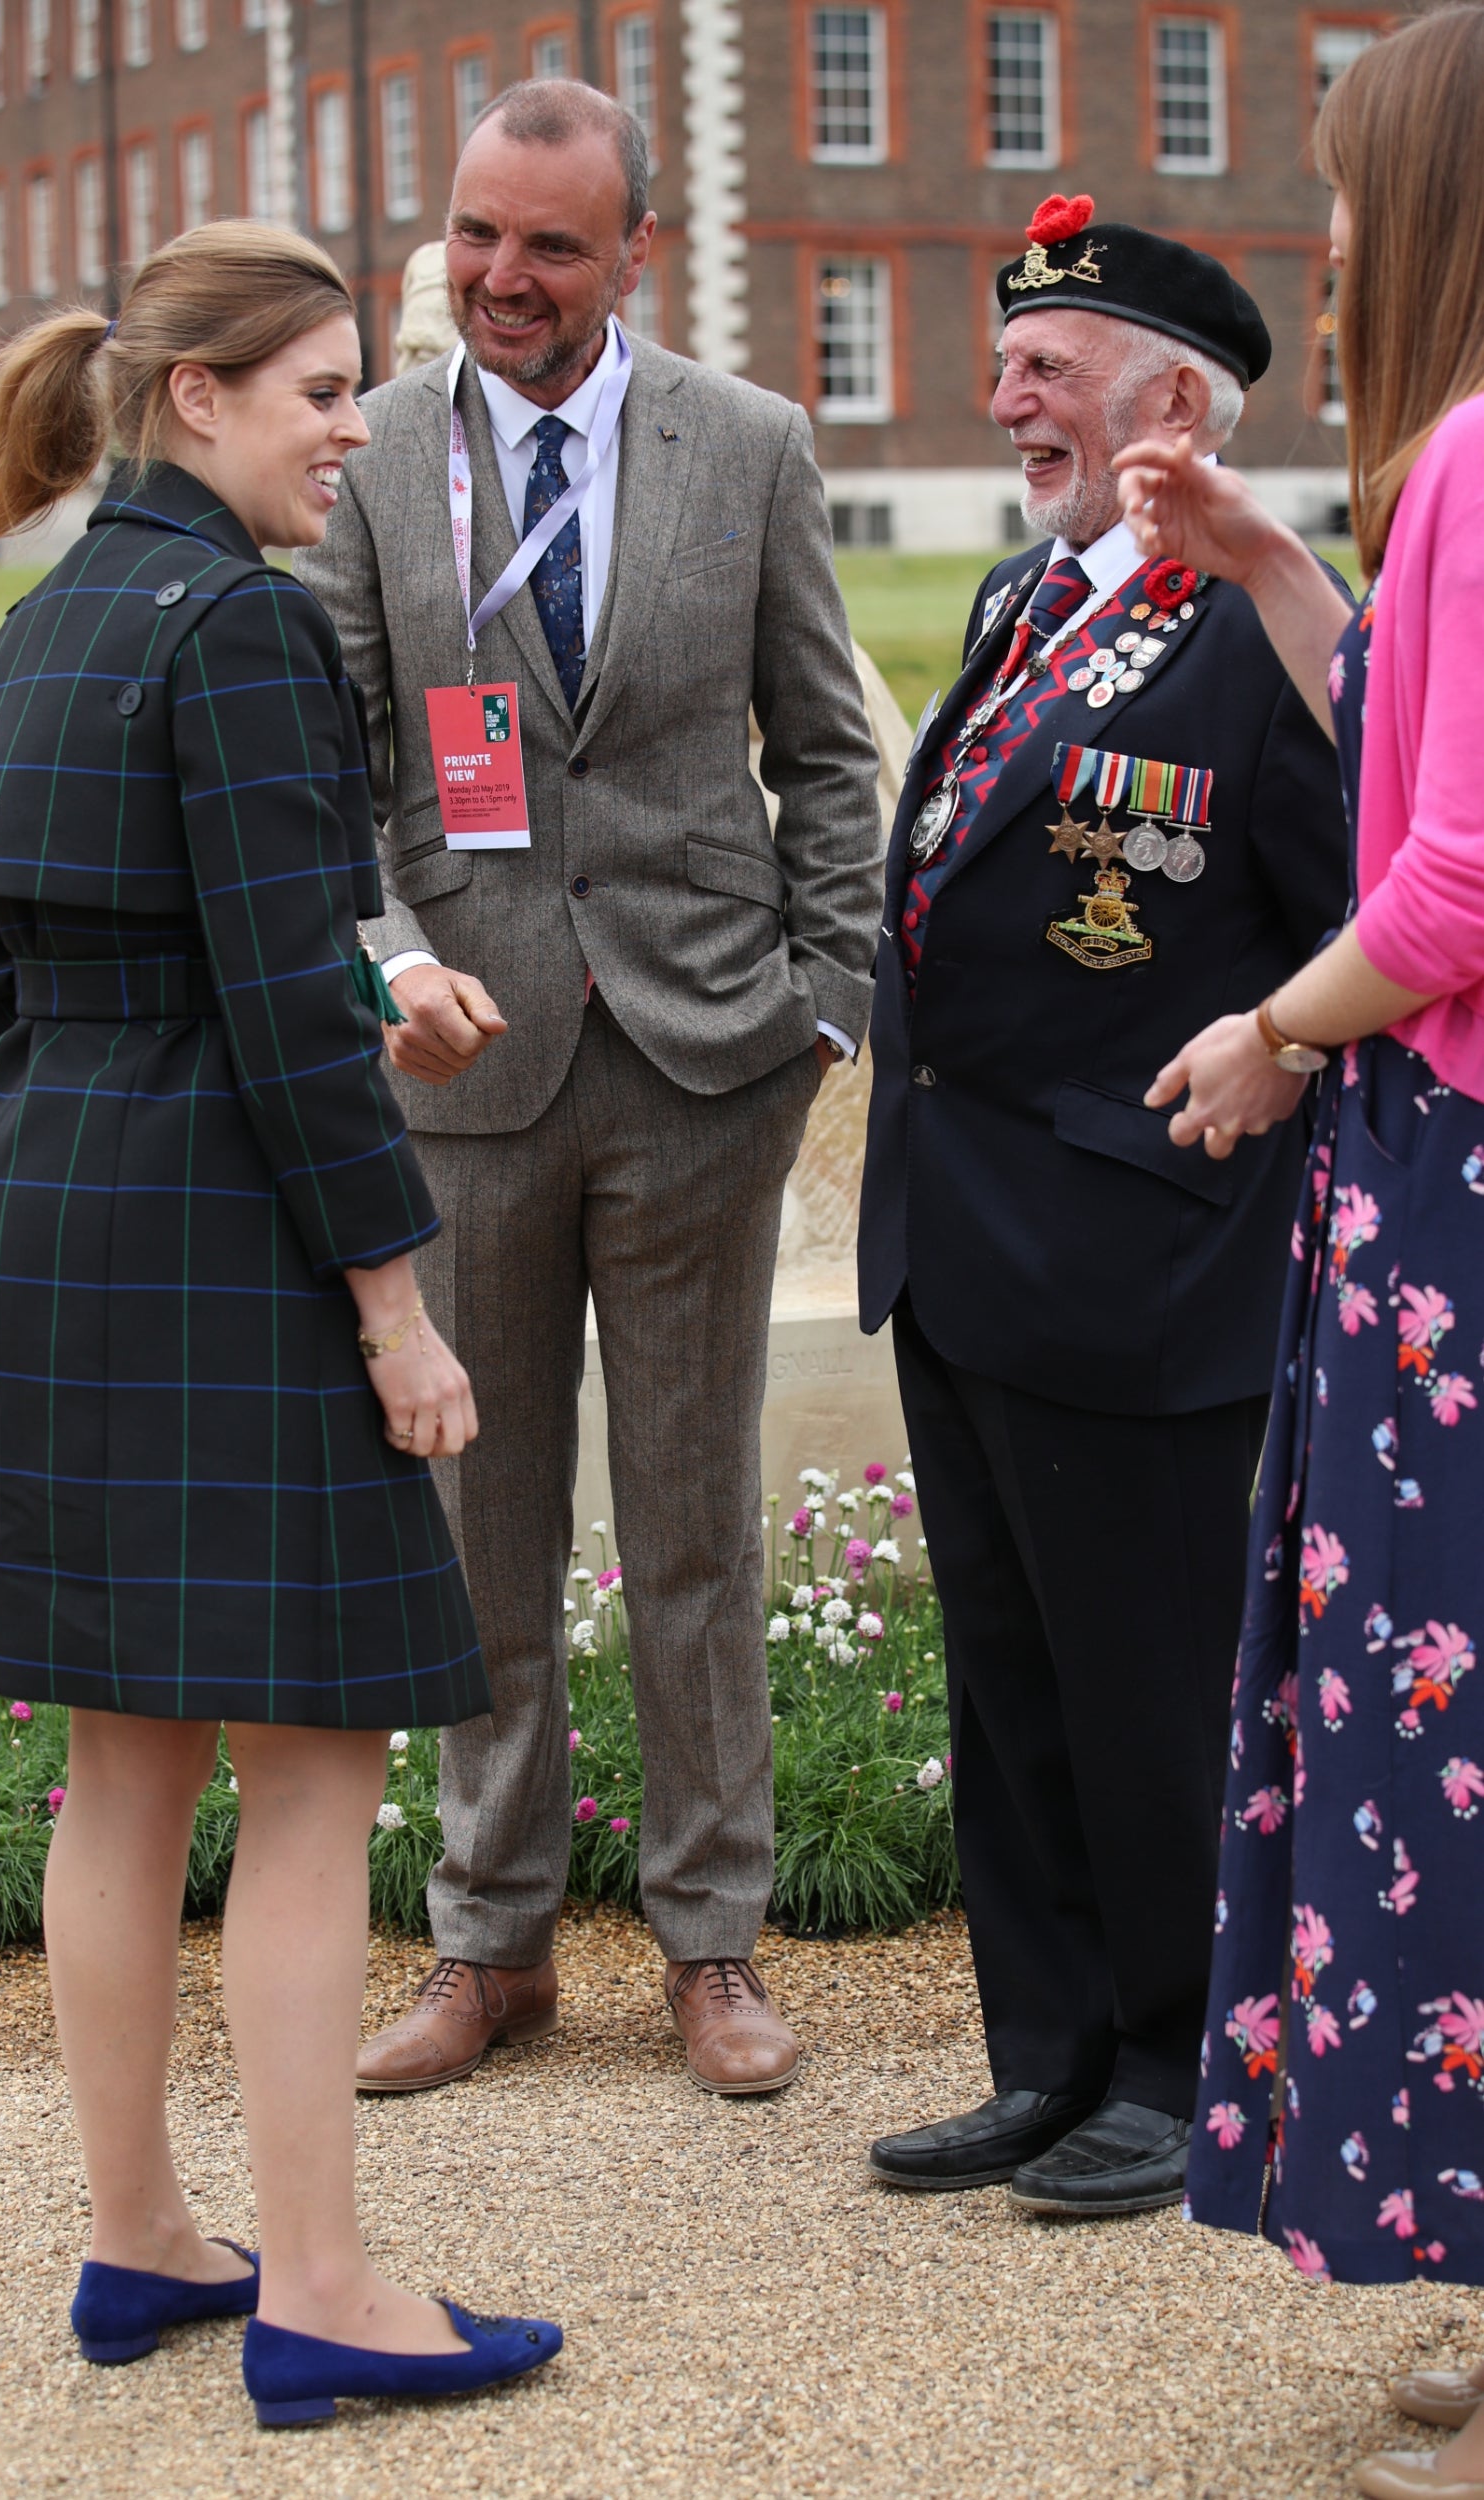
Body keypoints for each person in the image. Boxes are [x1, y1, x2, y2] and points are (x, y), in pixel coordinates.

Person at [0, 221, 560, 2424]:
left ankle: (141, 2236)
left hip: (41, 1218)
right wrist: (399, 1313)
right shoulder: (248, 630)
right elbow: (284, 1010)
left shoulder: (41, 625)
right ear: (200, 398)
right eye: (319, 391)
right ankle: (329, 2285)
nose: (353, 431)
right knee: (309, 1773)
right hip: (220, 1246)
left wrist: (288, 1004)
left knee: (118, 1766)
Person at [297, 79, 882, 2100]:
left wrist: (825, 1004)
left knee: (698, 1519)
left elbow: (826, 749)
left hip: (709, 1060)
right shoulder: (368, 453)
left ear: (635, 249)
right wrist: (392, 963)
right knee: (478, 1522)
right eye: (474, 233)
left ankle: (714, 1942)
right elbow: (346, 769)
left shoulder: (752, 445)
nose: (501, 276)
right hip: (464, 1069)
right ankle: (491, 1941)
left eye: (550, 242)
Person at [857, 196, 1351, 2217]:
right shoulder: (1017, 600)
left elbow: (1350, 931)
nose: (1006, 399)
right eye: (1010, 365)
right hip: (965, 1234)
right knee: (1013, 1678)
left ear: (1171, 399)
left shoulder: (1266, 632)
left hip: (1143, 1249)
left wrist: (1276, 1065)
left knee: (1145, 1684)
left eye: (1046, 368)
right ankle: (1045, 2053)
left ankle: (1170, 2053)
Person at [1114, 12, 1484, 2491]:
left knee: (1446, 1775)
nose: (1323, 253)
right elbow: (1417, 776)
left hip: (1455, 1199)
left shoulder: (1473, 450)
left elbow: (1450, 877)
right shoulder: (1445, 476)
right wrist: (1267, 558)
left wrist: (1267, 1024)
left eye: (1347, 199)